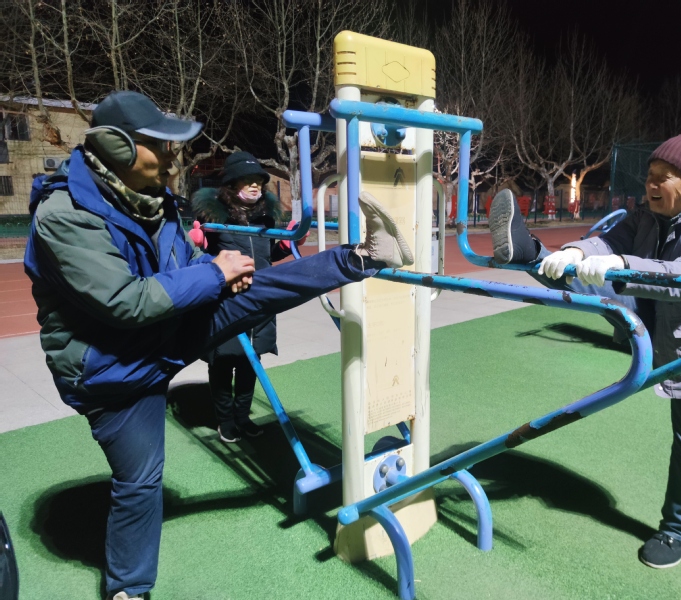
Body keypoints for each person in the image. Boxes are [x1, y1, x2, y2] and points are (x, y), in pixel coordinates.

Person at [24, 90, 413, 600]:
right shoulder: (64, 214)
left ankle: (364, 257)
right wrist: (213, 274)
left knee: (255, 291)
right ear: (118, 148)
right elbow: (124, 302)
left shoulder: (156, 200)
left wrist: (218, 275)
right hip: (111, 370)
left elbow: (183, 263)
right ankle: (129, 590)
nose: (172, 155)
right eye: (159, 144)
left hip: (162, 334)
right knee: (140, 482)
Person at [489, 132, 681, 569]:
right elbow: (609, 240)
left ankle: (677, 531)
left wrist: (622, 264)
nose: (650, 184)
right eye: (649, 175)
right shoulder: (647, 213)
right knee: (579, 274)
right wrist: (577, 249)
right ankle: (529, 252)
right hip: (653, 321)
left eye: (663, 177)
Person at [190, 152, 300, 443]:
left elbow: (268, 254)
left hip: (259, 299)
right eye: (247, 181)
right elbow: (202, 258)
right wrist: (200, 243)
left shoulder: (265, 217)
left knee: (251, 363)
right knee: (223, 362)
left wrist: (287, 245)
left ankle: (242, 417)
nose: (255, 186)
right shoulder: (215, 217)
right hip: (227, 300)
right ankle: (225, 421)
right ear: (232, 183)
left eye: (258, 182)